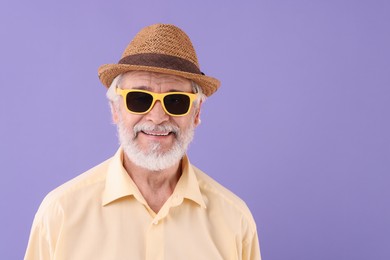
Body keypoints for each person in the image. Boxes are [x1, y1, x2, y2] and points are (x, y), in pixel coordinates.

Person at [25, 23, 261, 260]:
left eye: (176, 101)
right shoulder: (60, 214)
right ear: (115, 109)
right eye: (139, 99)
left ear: (196, 113)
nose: (157, 117)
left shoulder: (235, 221)